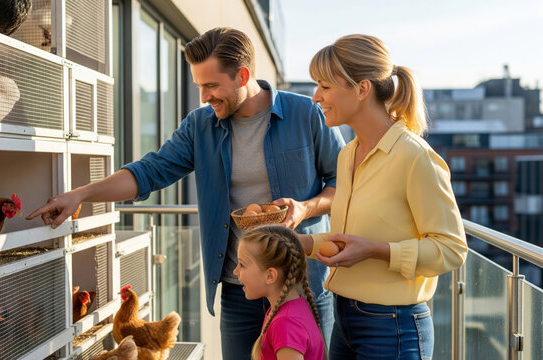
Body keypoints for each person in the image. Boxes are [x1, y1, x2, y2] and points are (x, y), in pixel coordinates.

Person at [27, 27, 345, 359]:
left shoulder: (306, 114)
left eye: (211, 86)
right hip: (242, 288)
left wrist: (305, 208)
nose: (204, 97)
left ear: (243, 75)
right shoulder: (200, 125)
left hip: (302, 287)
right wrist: (81, 194)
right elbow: (149, 171)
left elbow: (343, 183)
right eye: (199, 87)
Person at [297, 34, 468, 359]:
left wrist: (377, 251)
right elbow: (350, 241)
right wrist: (299, 244)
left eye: (325, 86)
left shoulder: (414, 157)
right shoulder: (348, 154)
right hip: (345, 318)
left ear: (362, 89)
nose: (316, 96)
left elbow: (452, 250)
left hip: (394, 327)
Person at [234, 225, 325, 360]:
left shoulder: (285, 324)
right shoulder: (291, 307)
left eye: (242, 264)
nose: (235, 272)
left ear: (270, 275)